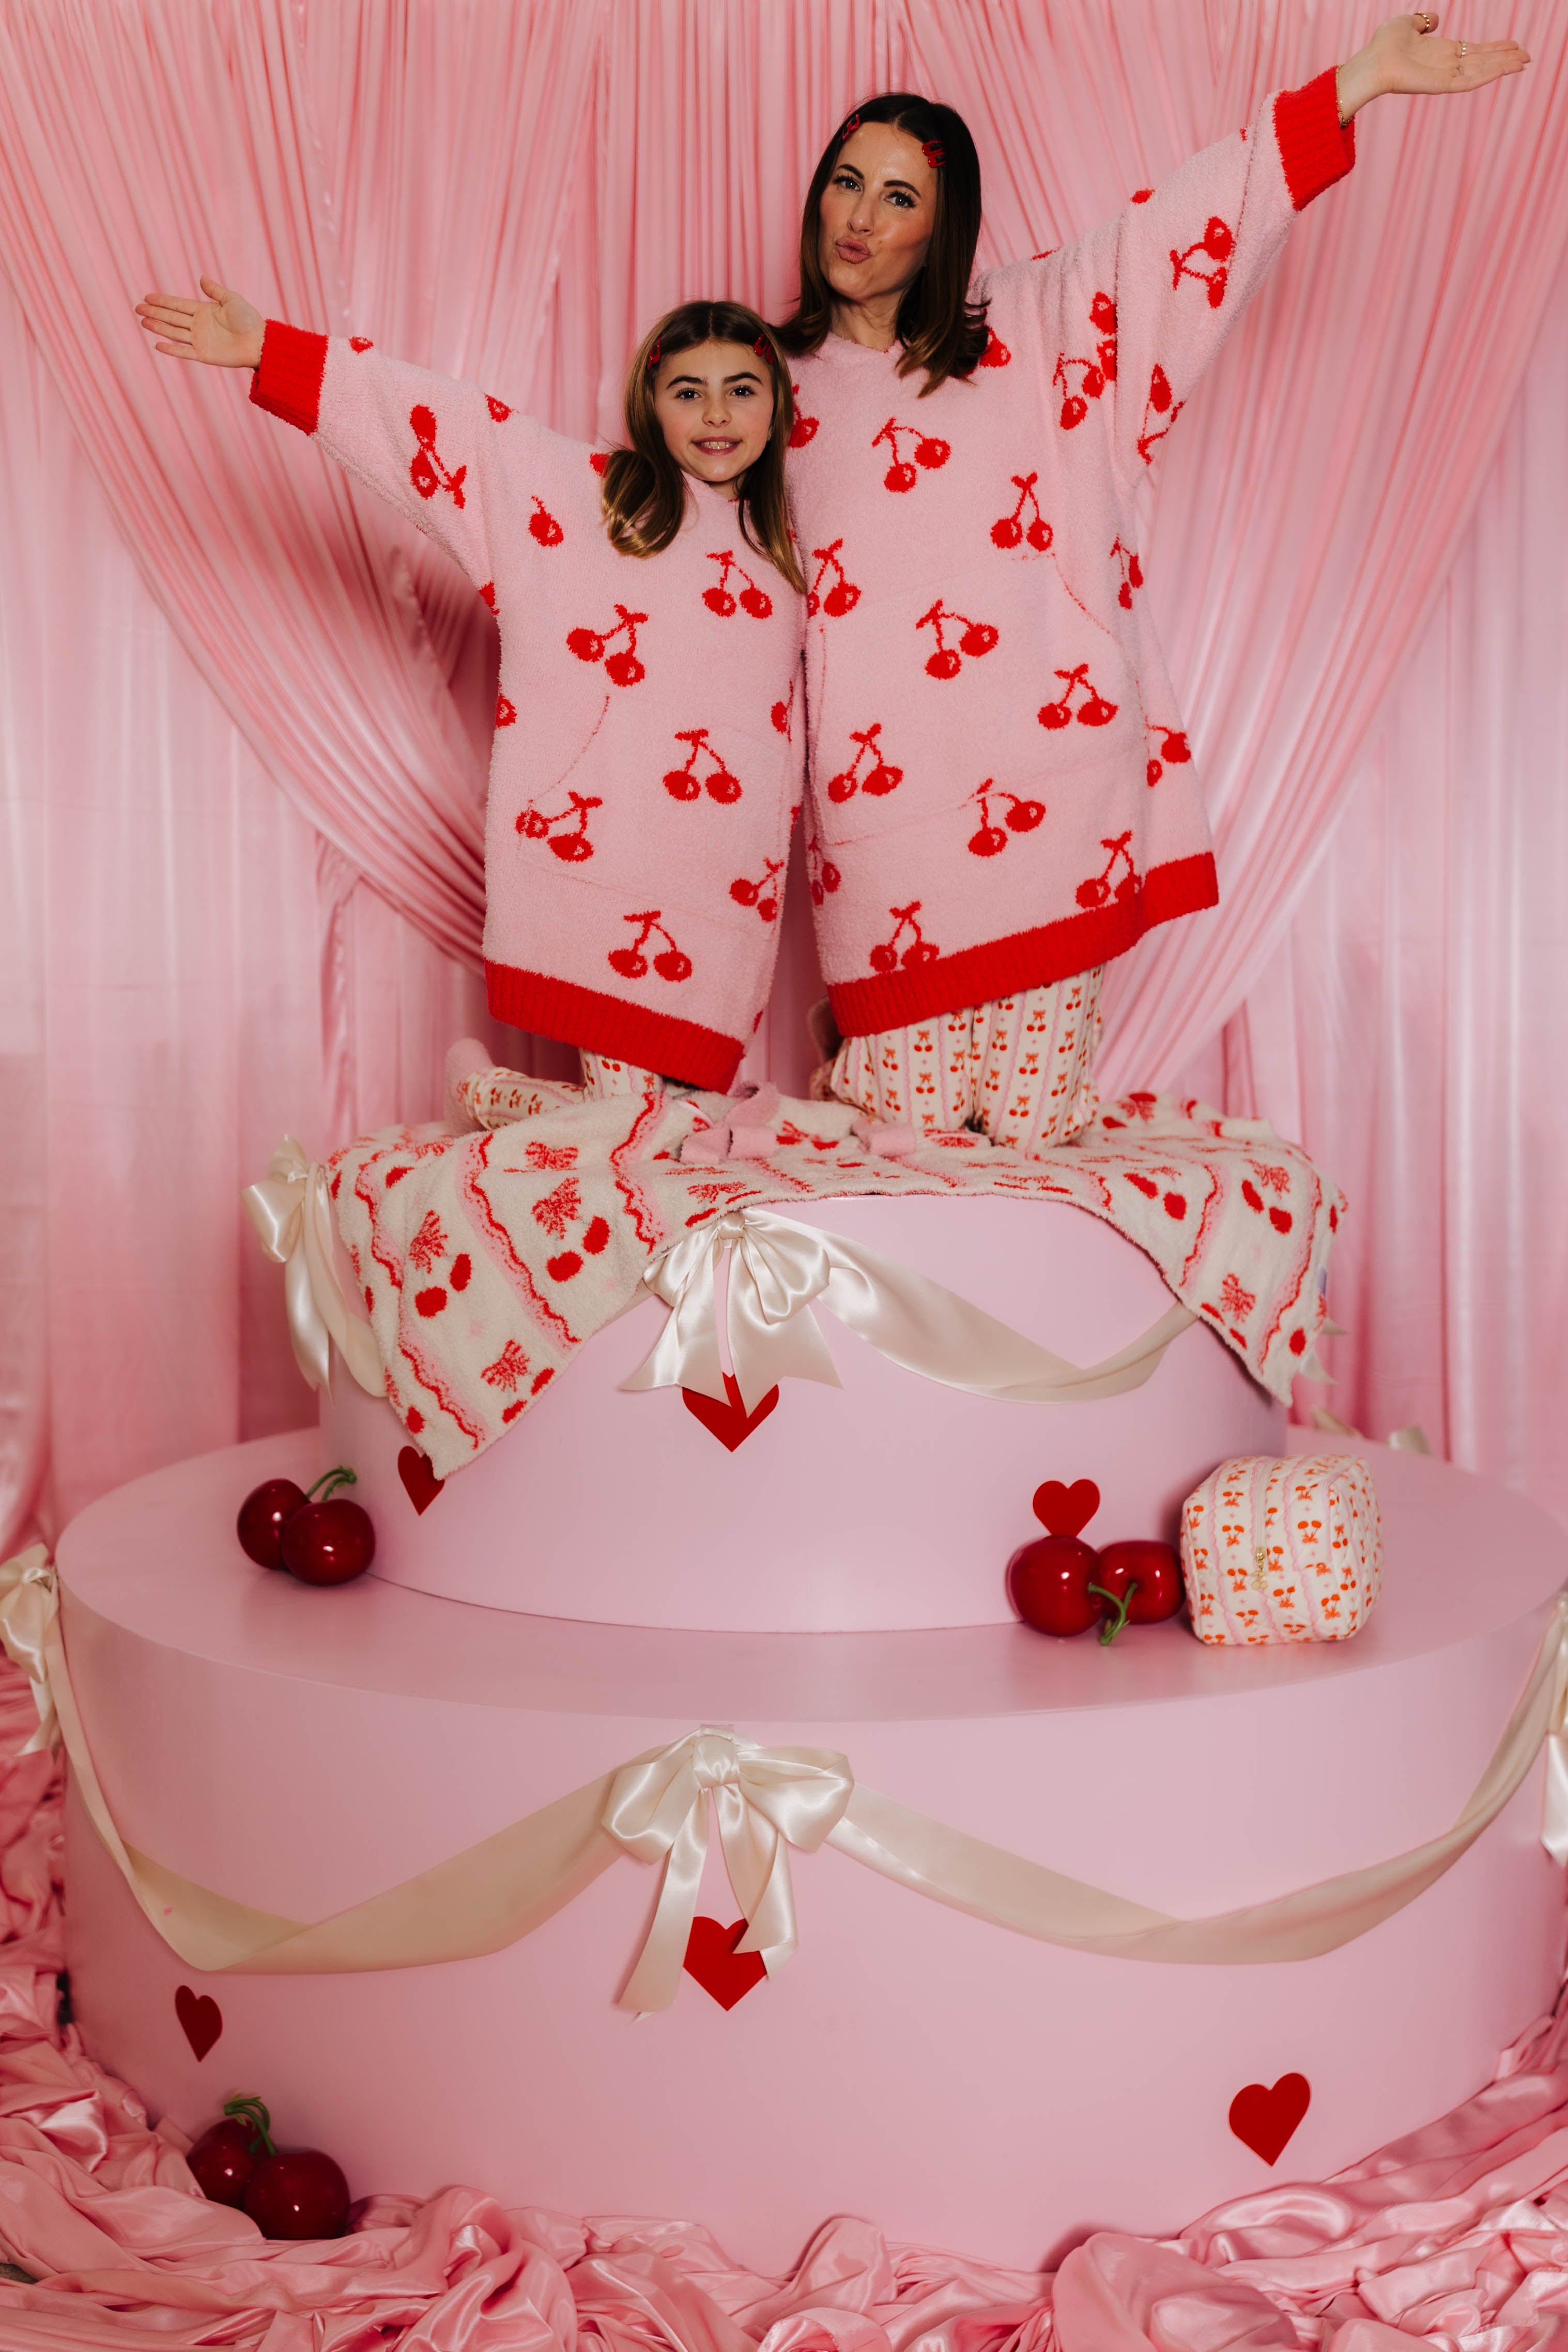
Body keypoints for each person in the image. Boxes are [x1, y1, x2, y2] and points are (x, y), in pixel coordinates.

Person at [777, 11, 1529, 1154]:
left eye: (896, 197)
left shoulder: (1031, 330)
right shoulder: (757, 385)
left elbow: (1181, 226)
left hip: (1051, 811)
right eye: (846, 183)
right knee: (902, 1144)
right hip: (884, 834)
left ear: (941, 228)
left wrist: (1355, 83)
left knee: (1029, 1139)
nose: (859, 218)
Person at [135, 287, 806, 1100]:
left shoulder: (791, 551)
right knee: (631, 1128)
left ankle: (488, 1097)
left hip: (723, 893)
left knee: (682, 1132)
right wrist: (273, 354)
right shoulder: (598, 500)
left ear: (778, 406)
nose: (716, 414)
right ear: (651, 404)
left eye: (741, 389)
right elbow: (459, 430)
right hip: (613, 871)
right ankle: (491, 1100)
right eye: (688, 391)